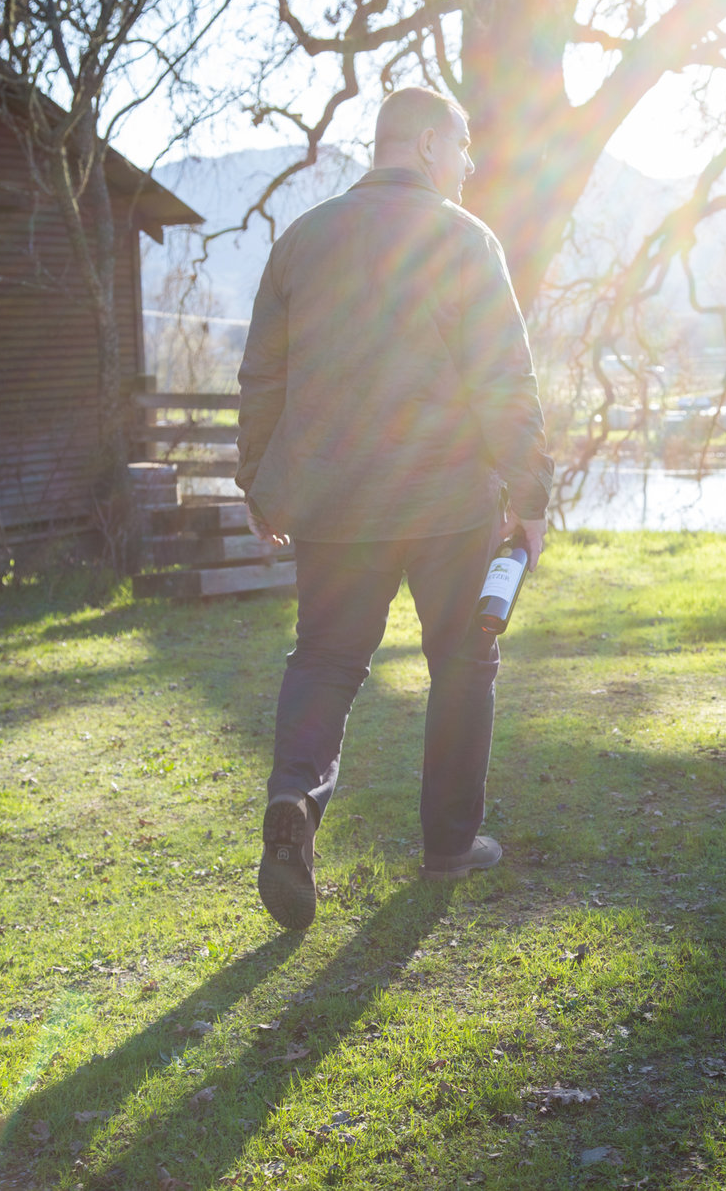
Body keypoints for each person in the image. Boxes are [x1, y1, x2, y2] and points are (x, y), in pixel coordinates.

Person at [235, 86, 553, 930]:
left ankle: (294, 798)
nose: (471, 162)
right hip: (447, 501)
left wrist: (260, 483)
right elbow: (504, 381)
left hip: (334, 503)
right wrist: (530, 495)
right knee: (462, 662)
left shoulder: (300, 241)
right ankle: (450, 845)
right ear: (422, 143)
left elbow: (262, 375)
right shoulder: (466, 240)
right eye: (462, 144)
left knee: (327, 659)